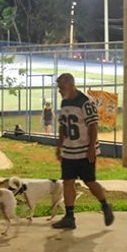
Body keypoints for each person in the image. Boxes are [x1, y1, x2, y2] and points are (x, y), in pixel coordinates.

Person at [52, 73, 114, 230]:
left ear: (71, 85)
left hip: (84, 150)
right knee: (68, 181)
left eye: (61, 87)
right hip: (69, 150)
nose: (59, 90)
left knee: (89, 182)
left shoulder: (85, 102)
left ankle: (105, 205)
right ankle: (69, 216)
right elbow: (62, 126)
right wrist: (59, 147)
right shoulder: (65, 102)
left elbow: (93, 126)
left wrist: (91, 147)